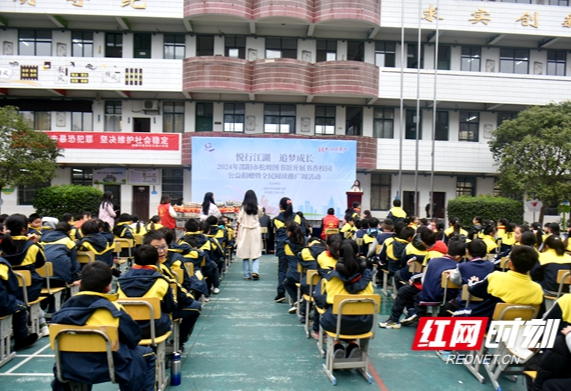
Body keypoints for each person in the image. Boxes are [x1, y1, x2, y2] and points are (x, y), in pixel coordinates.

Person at [50, 261, 156, 391]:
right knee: (148, 354)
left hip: (70, 367)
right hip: (109, 366)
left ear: (81, 283)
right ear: (108, 287)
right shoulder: (114, 310)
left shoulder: (61, 313)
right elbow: (134, 338)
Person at [315, 240, 374, 358]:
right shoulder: (367, 276)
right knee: (351, 316)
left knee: (333, 315)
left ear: (338, 254)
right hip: (364, 324)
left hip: (337, 323)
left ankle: (337, 345)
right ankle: (353, 344)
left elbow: (323, 299)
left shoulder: (331, 277)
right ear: (358, 254)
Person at [143, 230, 202, 345]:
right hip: (161, 312)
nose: (161, 251)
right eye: (156, 248)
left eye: (164, 246)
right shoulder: (163, 271)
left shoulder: (129, 273)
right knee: (195, 307)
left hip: (137, 315)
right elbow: (179, 290)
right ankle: (178, 343)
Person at [1, 214, 48, 335]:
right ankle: (37, 324)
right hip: (30, 290)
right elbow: (40, 264)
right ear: (24, 229)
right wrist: (36, 243)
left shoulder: (2, 247)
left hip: (7, 292)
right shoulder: (32, 247)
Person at [468, 245, 544, 318]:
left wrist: (473, 282)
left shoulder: (496, 277)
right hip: (519, 327)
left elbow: (474, 290)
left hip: (489, 324)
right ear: (532, 266)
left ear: (510, 263)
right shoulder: (538, 290)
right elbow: (539, 315)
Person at [118, 244, 175, 339]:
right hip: (154, 329)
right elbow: (170, 307)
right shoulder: (162, 281)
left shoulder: (121, 281)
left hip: (127, 328)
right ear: (156, 261)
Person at [0, 252, 39, 351]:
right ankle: (21, 340)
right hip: (1, 304)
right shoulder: (2, 264)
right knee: (22, 306)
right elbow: (13, 287)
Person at [39, 222, 81, 305]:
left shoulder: (42, 240)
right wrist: (75, 278)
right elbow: (74, 263)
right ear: (69, 232)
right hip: (60, 278)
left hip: (42, 277)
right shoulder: (68, 241)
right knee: (64, 287)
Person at [273, 197, 302, 303]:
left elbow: (281, 233)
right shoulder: (297, 217)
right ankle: (297, 294)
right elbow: (299, 231)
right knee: (297, 269)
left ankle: (281, 293)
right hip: (296, 247)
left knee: (282, 270)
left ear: (280, 206)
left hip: (283, 247)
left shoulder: (277, 219)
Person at [236, 190, 264, 280]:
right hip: (255, 231)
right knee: (255, 251)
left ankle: (246, 274)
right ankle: (255, 271)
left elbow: (238, 219)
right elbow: (261, 216)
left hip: (244, 231)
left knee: (245, 253)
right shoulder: (258, 207)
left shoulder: (242, 208)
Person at [282, 223, 307, 314]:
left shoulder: (287, 244)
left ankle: (297, 300)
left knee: (287, 283)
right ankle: (300, 301)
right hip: (306, 275)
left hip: (293, 273)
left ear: (290, 233)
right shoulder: (306, 241)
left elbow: (286, 260)